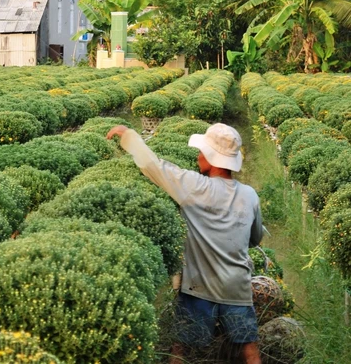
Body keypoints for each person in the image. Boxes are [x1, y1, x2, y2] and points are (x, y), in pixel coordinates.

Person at [107, 123, 264, 364]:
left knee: (180, 348)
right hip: (237, 287)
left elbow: (154, 167)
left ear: (212, 160)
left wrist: (129, 137)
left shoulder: (194, 187)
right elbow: (255, 238)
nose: (198, 156)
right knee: (249, 348)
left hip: (199, 286)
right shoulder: (250, 195)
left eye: (202, 152)